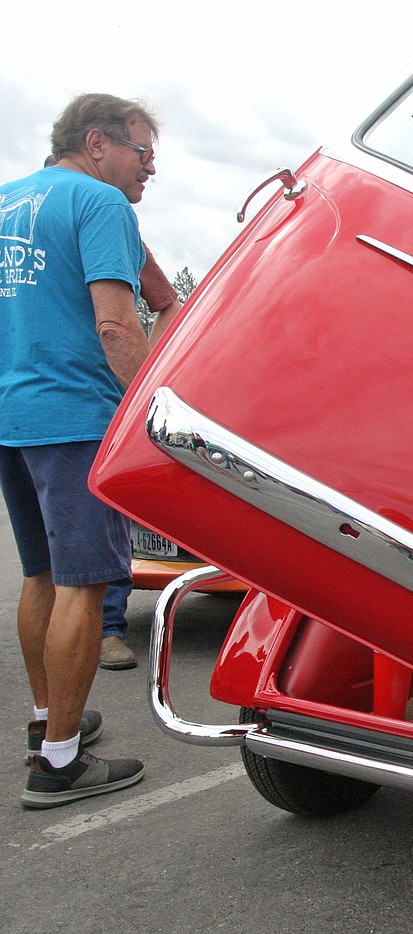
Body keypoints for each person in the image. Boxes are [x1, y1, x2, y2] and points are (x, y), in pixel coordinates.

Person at [0, 93, 166, 808]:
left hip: (13, 414)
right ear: (97, 144)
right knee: (83, 585)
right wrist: (149, 415)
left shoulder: (10, 201)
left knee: (39, 576)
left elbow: (159, 293)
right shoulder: (101, 206)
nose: (149, 167)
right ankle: (60, 764)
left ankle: (48, 725)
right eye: (141, 151)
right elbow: (117, 326)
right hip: (74, 416)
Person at [98, 244, 179, 672]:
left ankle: (108, 627)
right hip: (30, 401)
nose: (149, 170)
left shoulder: (114, 223)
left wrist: (143, 379)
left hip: (101, 405)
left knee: (107, 517)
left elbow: (166, 303)